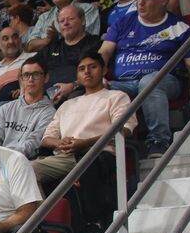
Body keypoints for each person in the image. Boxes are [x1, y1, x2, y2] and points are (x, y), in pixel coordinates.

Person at [100, 0, 190, 157]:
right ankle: (102, 145)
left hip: (166, 80)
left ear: (163, 0)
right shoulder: (124, 23)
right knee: (99, 89)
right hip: (124, 82)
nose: (140, 2)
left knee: (150, 82)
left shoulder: (179, 27)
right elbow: (104, 52)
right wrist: (99, 75)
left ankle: (159, 140)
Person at [38, 52, 137, 183]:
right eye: (82, 69)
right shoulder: (67, 104)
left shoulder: (117, 96)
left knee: (89, 167)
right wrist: (60, 143)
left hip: (98, 154)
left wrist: (85, 142)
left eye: (93, 67)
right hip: (65, 157)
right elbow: (46, 138)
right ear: (77, 75)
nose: (87, 72)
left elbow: (123, 130)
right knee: (26, 170)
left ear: (104, 70)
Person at [0, 56, 57, 160]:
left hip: (24, 163)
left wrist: (6, 158)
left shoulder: (49, 112)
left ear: (46, 77)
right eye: (26, 75)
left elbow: (33, 144)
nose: (31, 79)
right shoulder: (5, 108)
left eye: (36, 74)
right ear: (21, 79)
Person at [37, 5, 102, 105]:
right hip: (46, 97)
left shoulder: (94, 43)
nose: (66, 23)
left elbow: (95, 73)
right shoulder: (52, 47)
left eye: (70, 19)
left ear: (83, 21)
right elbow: (28, 66)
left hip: (76, 94)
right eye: (62, 21)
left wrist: (72, 86)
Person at [28, 0, 101, 52]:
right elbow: (30, 46)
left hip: (80, 54)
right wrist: (48, 40)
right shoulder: (44, 17)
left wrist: (57, 38)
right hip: (49, 59)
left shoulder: (88, 9)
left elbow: (84, 37)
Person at [0, 25, 35, 104]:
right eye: (6, 39)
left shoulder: (33, 57)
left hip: (23, 103)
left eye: (15, 37)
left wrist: (25, 90)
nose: (11, 41)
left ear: (20, 40)